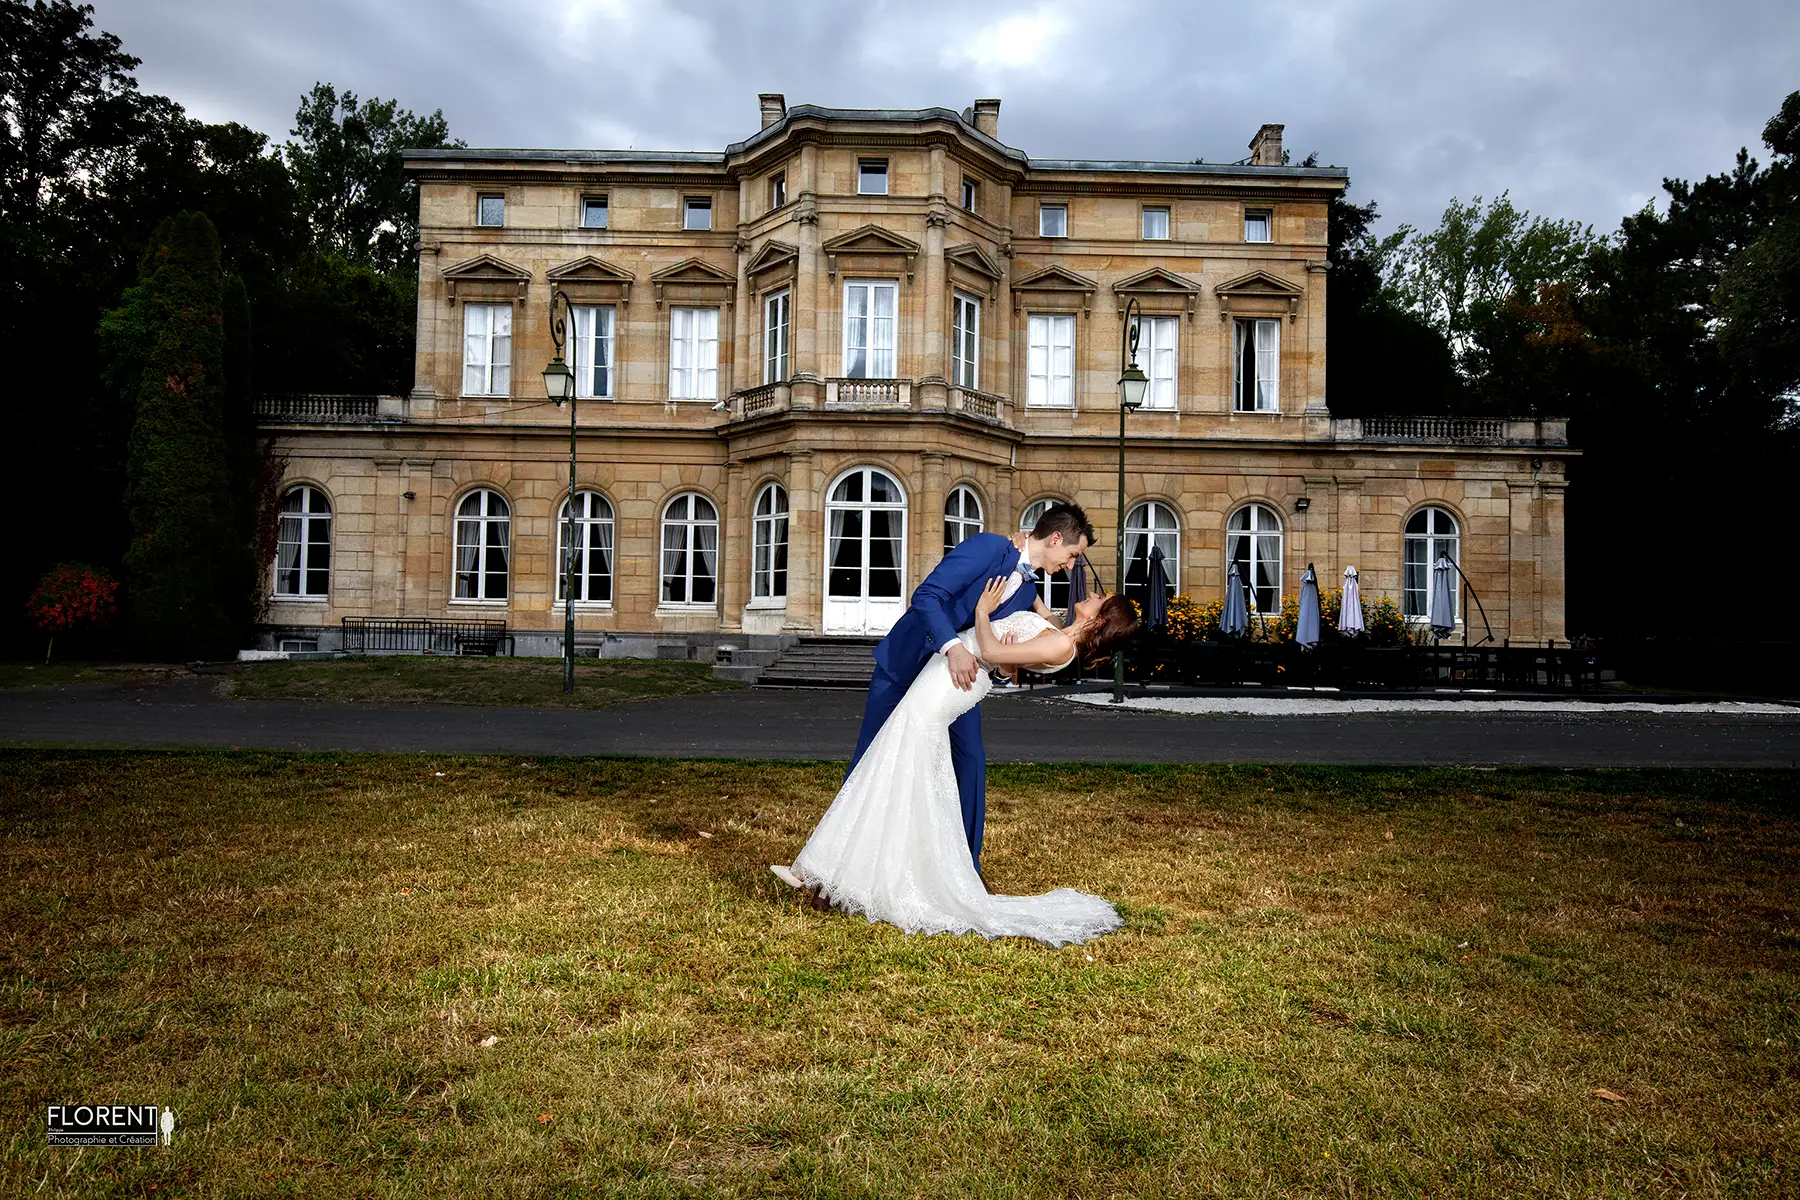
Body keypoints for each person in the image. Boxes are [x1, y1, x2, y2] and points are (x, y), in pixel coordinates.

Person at [772, 575, 1140, 946]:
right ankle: (840, 868)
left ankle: (829, 868)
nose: (1093, 593)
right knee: (897, 761)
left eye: (1100, 598)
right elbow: (1017, 644)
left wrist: (982, 611)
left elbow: (994, 655)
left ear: (1101, 619)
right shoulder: (1061, 631)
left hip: (954, 681)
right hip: (952, 675)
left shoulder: (1062, 644)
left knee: (896, 759)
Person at [847, 503, 1093, 880]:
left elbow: (1022, 642)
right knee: (871, 757)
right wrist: (952, 648)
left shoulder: (1027, 591)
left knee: (971, 761)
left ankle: (965, 871)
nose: (1072, 565)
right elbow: (926, 596)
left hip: (953, 683)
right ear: (1056, 538)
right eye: (1073, 555)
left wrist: (1006, 670)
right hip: (907, 662)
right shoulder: (988, 547)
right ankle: (843, 863)